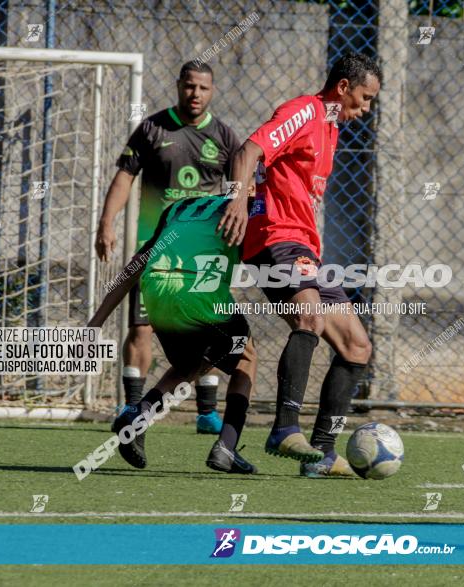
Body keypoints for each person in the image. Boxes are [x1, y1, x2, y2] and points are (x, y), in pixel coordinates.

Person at [216, 52, 382, 477]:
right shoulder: (304, 111)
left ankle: (323, 452)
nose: (363, 111)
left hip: (305, 248)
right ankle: (284, 427)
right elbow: (248, 150)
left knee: (357, 346)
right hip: (275, 236)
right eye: (363, 99)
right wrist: (238, 198)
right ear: (343, 87)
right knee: (309, 316)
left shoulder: (331, 130)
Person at [95, 60, 241, 434]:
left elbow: (237, 196)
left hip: (204, 255)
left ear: (213, 90)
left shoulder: (225, 138)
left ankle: (207, 412)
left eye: (204, 88)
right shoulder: (152, 128)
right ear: (179, 86)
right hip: (156, 248)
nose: (196, 94)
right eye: (190, 86)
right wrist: (107, 222)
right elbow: (125, 176)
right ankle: (131, 407)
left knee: (210, 328)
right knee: (142, 329)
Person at [88, 193, 258, 474]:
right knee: (246, 358)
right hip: (198, 289)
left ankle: (138, 415)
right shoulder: (254, 207)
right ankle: (226, 447)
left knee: (189, 365)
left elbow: (136, 263)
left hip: (155, 290)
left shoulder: (182, 206)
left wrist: (96, 321)